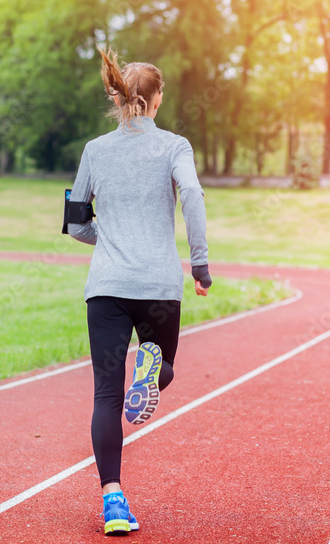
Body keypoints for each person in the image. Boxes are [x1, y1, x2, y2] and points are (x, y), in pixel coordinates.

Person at [66, 46, 213, 536]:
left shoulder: (94, 150)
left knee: (105, 396)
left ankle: (111, 501)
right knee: (162, 365)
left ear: (120, 97)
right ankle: (148, 372)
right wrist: (200, 261)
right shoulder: (175, 146)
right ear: (155, 100)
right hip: (157, 284)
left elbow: (75, 222)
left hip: (106, 286)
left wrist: (106, 238)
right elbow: (191, 194)